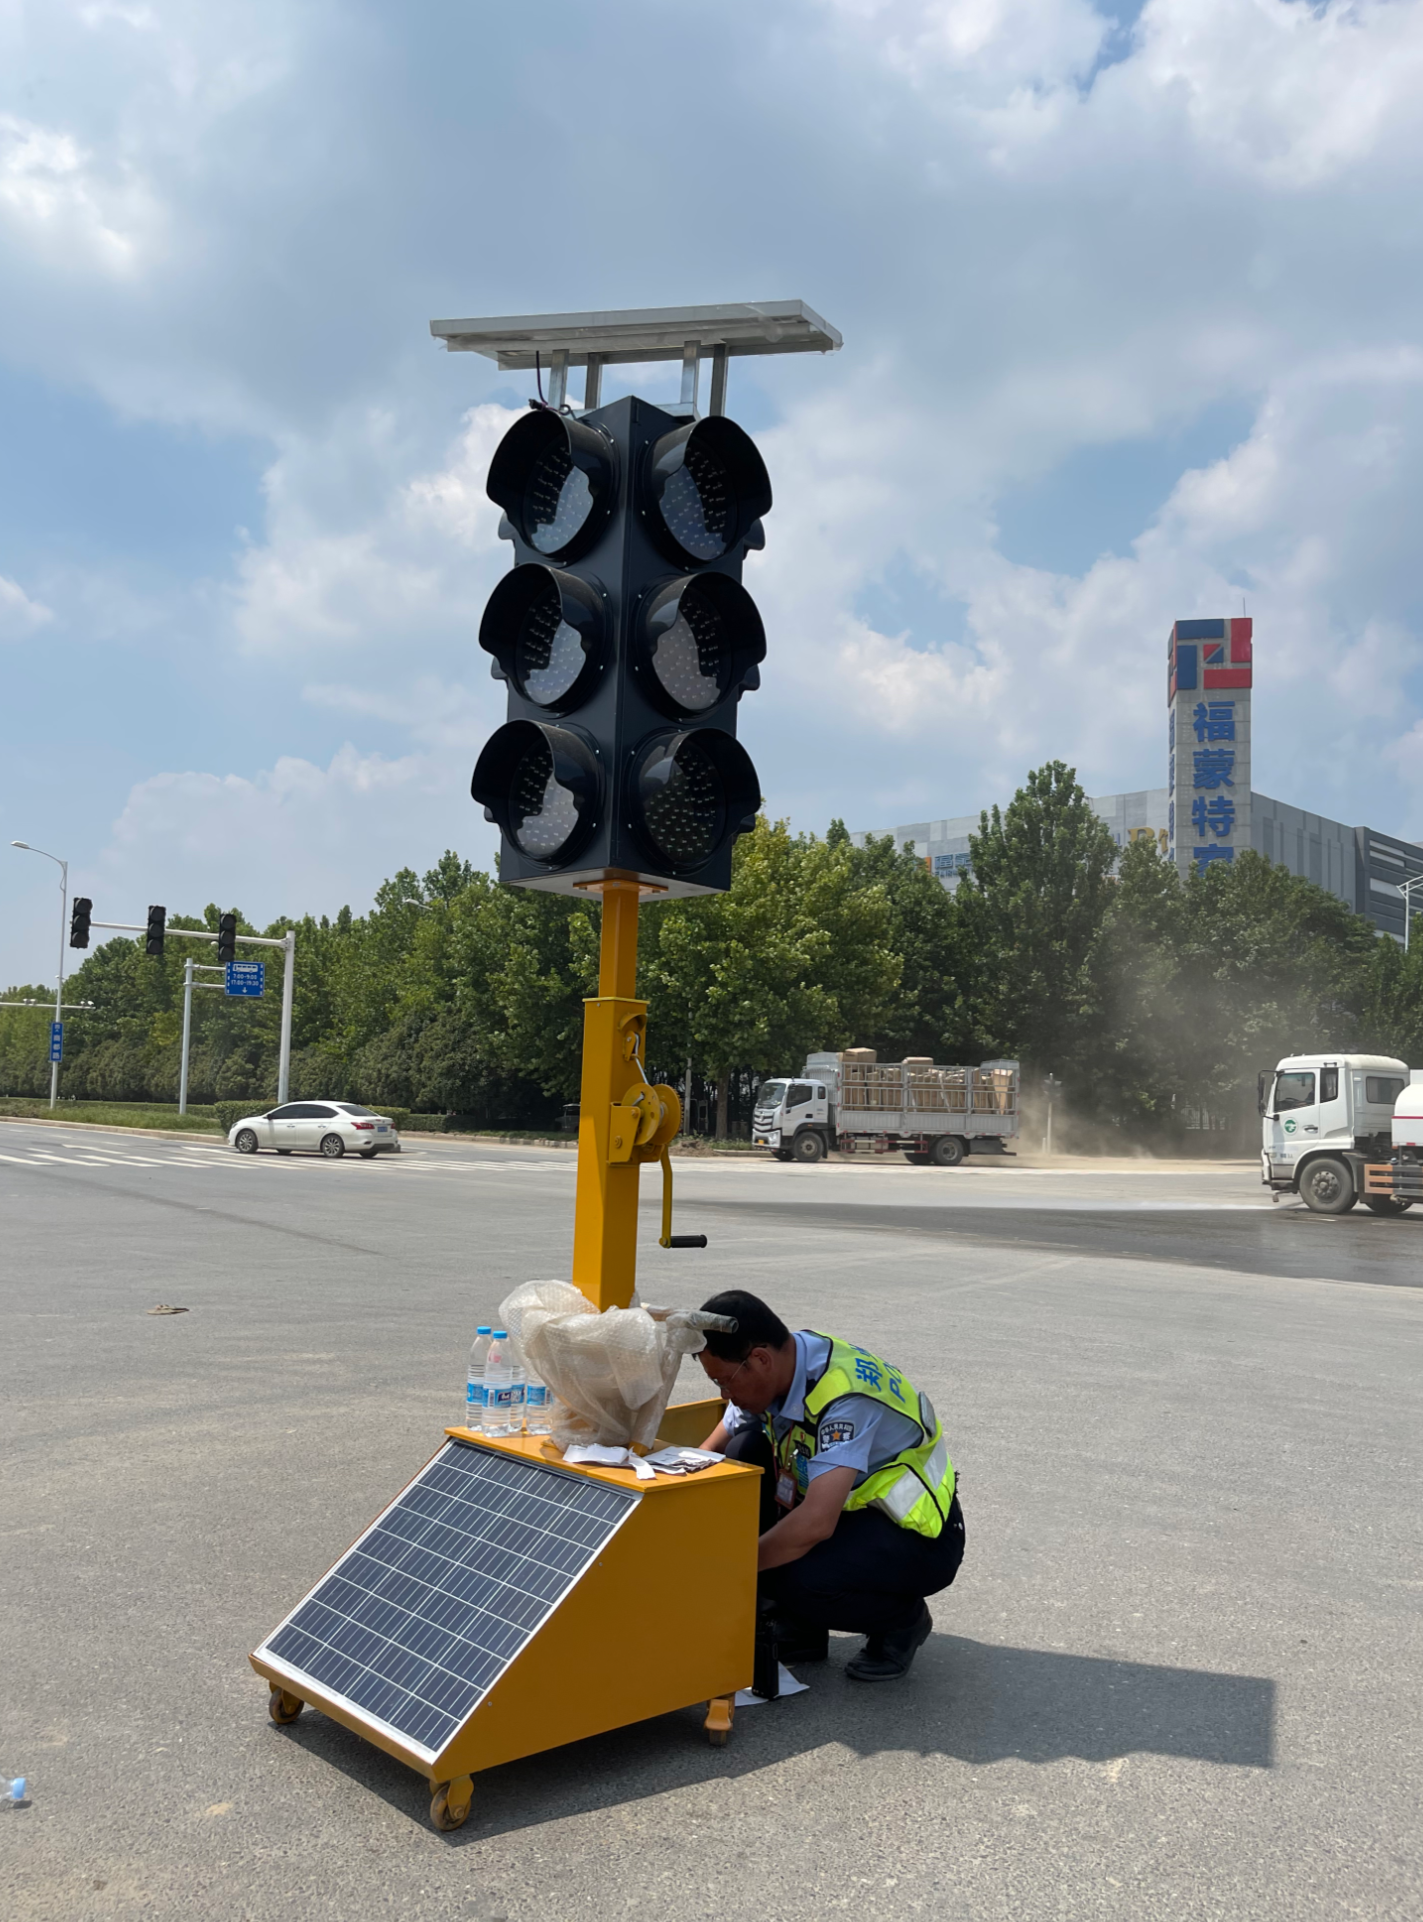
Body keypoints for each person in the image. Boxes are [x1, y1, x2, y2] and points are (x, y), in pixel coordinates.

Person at [697, 1289, 964, 1683]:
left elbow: (817, 1523)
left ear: (760, 1360)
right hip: (847, 1510)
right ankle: (801, 1628)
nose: (724, 1394)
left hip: (915, 1535)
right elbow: (711, 1452)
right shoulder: (785, 1362)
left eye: (725, 1380)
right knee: (743, 1451)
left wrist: (736, 1567)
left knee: (798, 1579)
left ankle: (903, 1622)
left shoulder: (845, 1398)